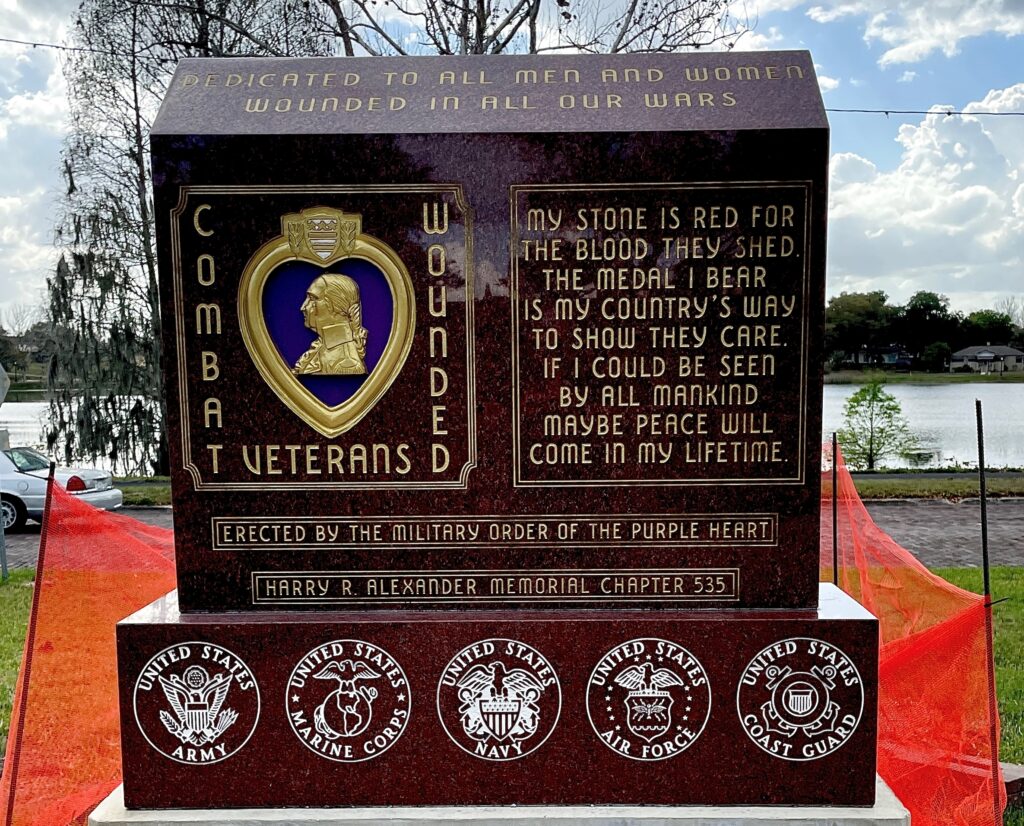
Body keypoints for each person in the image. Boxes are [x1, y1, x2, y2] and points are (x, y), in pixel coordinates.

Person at [293, 273, 369, 375]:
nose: (303, 307)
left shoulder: (347, 364)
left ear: (334, 306)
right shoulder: (320, 348)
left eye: (312, 299)